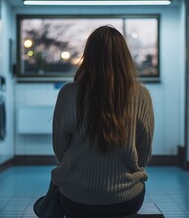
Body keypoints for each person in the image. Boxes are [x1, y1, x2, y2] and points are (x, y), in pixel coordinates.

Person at [35, 25, 154, 218]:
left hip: (76, 201)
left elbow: (60, 152)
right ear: (124, 57)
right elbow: (144, 155)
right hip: (127, 200)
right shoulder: (141, 95)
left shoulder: (69, 93)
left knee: (59, 178)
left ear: (88, 55)